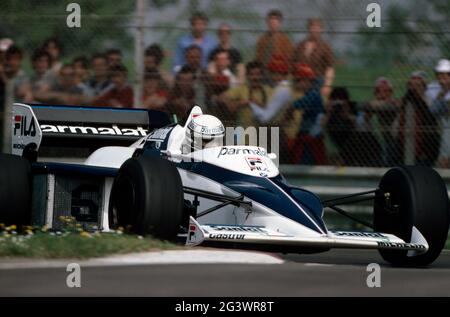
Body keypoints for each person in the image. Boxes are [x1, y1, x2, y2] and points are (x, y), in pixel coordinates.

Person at [396, 71, 440, 166]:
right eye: (411, 85)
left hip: (426, 148)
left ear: (424, 87)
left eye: (418, 85)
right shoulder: (405, 101)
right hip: (405, 147)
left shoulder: (430, 102)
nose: (414, 88)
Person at [289, 63, 327, 165]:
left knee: (305, 161)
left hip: (311, 137)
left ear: (307, 82)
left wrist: (291, 107)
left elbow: (303, 102)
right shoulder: (311, 93)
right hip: (308, 135)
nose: (297, 84)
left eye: (299, 81)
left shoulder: (314, 94)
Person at [221, 61, 273, 128]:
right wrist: (240, 103)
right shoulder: (242, 88)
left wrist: (258, 104)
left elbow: (274, 111)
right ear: (247, 76)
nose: (255, 78)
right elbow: (221, 98)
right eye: (252, 74)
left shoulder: (269, 90)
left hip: (263, 130)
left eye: (258, 74)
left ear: (262, 76)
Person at [293, 18, 334, 98]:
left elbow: (330, 68)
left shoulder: (325, 47)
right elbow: (294, 62)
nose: (315, 30)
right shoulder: (300, 45)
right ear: (308, 28)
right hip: (301, 80)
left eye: (318, 27)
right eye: (312, 27)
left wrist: (327, 85)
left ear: (321, 30)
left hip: (317, 80)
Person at [363, 77, 400, 165]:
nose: (383, 93)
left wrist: (383, 103)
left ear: (390, 92)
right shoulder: (375, 103)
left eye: (386, 91)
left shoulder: (394, 102)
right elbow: (366, 118)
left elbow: (397, 103)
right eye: (379, 91)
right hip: (384, 138)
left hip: (396, 138)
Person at [427, 59, 450, 168]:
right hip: (437, 122)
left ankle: (444, 159)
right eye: (440, 74)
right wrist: (443, 92)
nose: (443, 77)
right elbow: (433, 110)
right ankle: (444, 159)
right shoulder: (432, 87)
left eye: (446, 74)